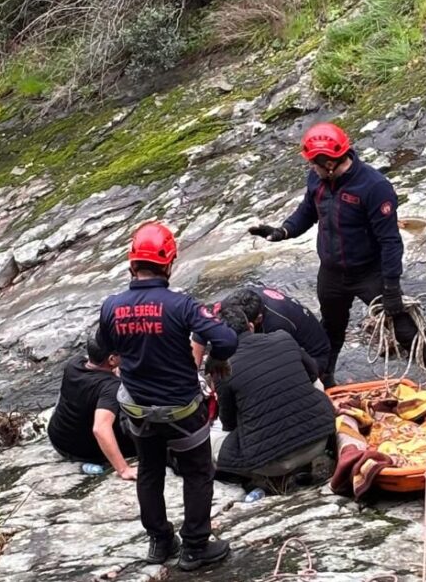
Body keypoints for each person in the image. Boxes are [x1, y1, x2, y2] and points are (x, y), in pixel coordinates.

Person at [247, 122, 426, 418]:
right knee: (330, 330)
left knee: (405, 330)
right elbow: (307, 212)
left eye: (314, 163)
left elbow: (391, 241)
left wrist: (391, 288)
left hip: (369, 273)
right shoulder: (318, 181)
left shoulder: (374, 187)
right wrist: (282, 231)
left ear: (329, 162)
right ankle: (325, 382)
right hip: (332, 273)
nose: (311, 168)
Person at [96, 221, 238, 572]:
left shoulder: (111, 306)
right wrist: (216, 359)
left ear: (132, 264)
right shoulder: (181, 305)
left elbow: (104, 346)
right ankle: (194, 547)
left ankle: (160, 542)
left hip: (138, 411)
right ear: (169, 264)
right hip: (181, 409)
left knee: (150, 472)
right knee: (198, 472)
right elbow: (227, 339)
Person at [209, 307, 335, 480]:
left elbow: (229, 424)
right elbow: (314, 374)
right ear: (251, 326)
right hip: (320, 441)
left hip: (275, 464)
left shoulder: (222, 368)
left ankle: (262, 481)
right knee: (315, 385)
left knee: (212, 441)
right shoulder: (283, 337)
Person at [191, 286, 333, 386]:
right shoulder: (232, 304)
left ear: (257, 319)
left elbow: (268, 362)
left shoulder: (276, 325)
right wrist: (192, 373)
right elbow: (201, 329)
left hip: (314, 357)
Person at [47, 339, 138, 480]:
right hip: (84, 453)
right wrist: (124, 469)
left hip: (57, 440)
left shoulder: (74, 364)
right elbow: (100, 429)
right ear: (112, 359)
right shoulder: (110, 387)